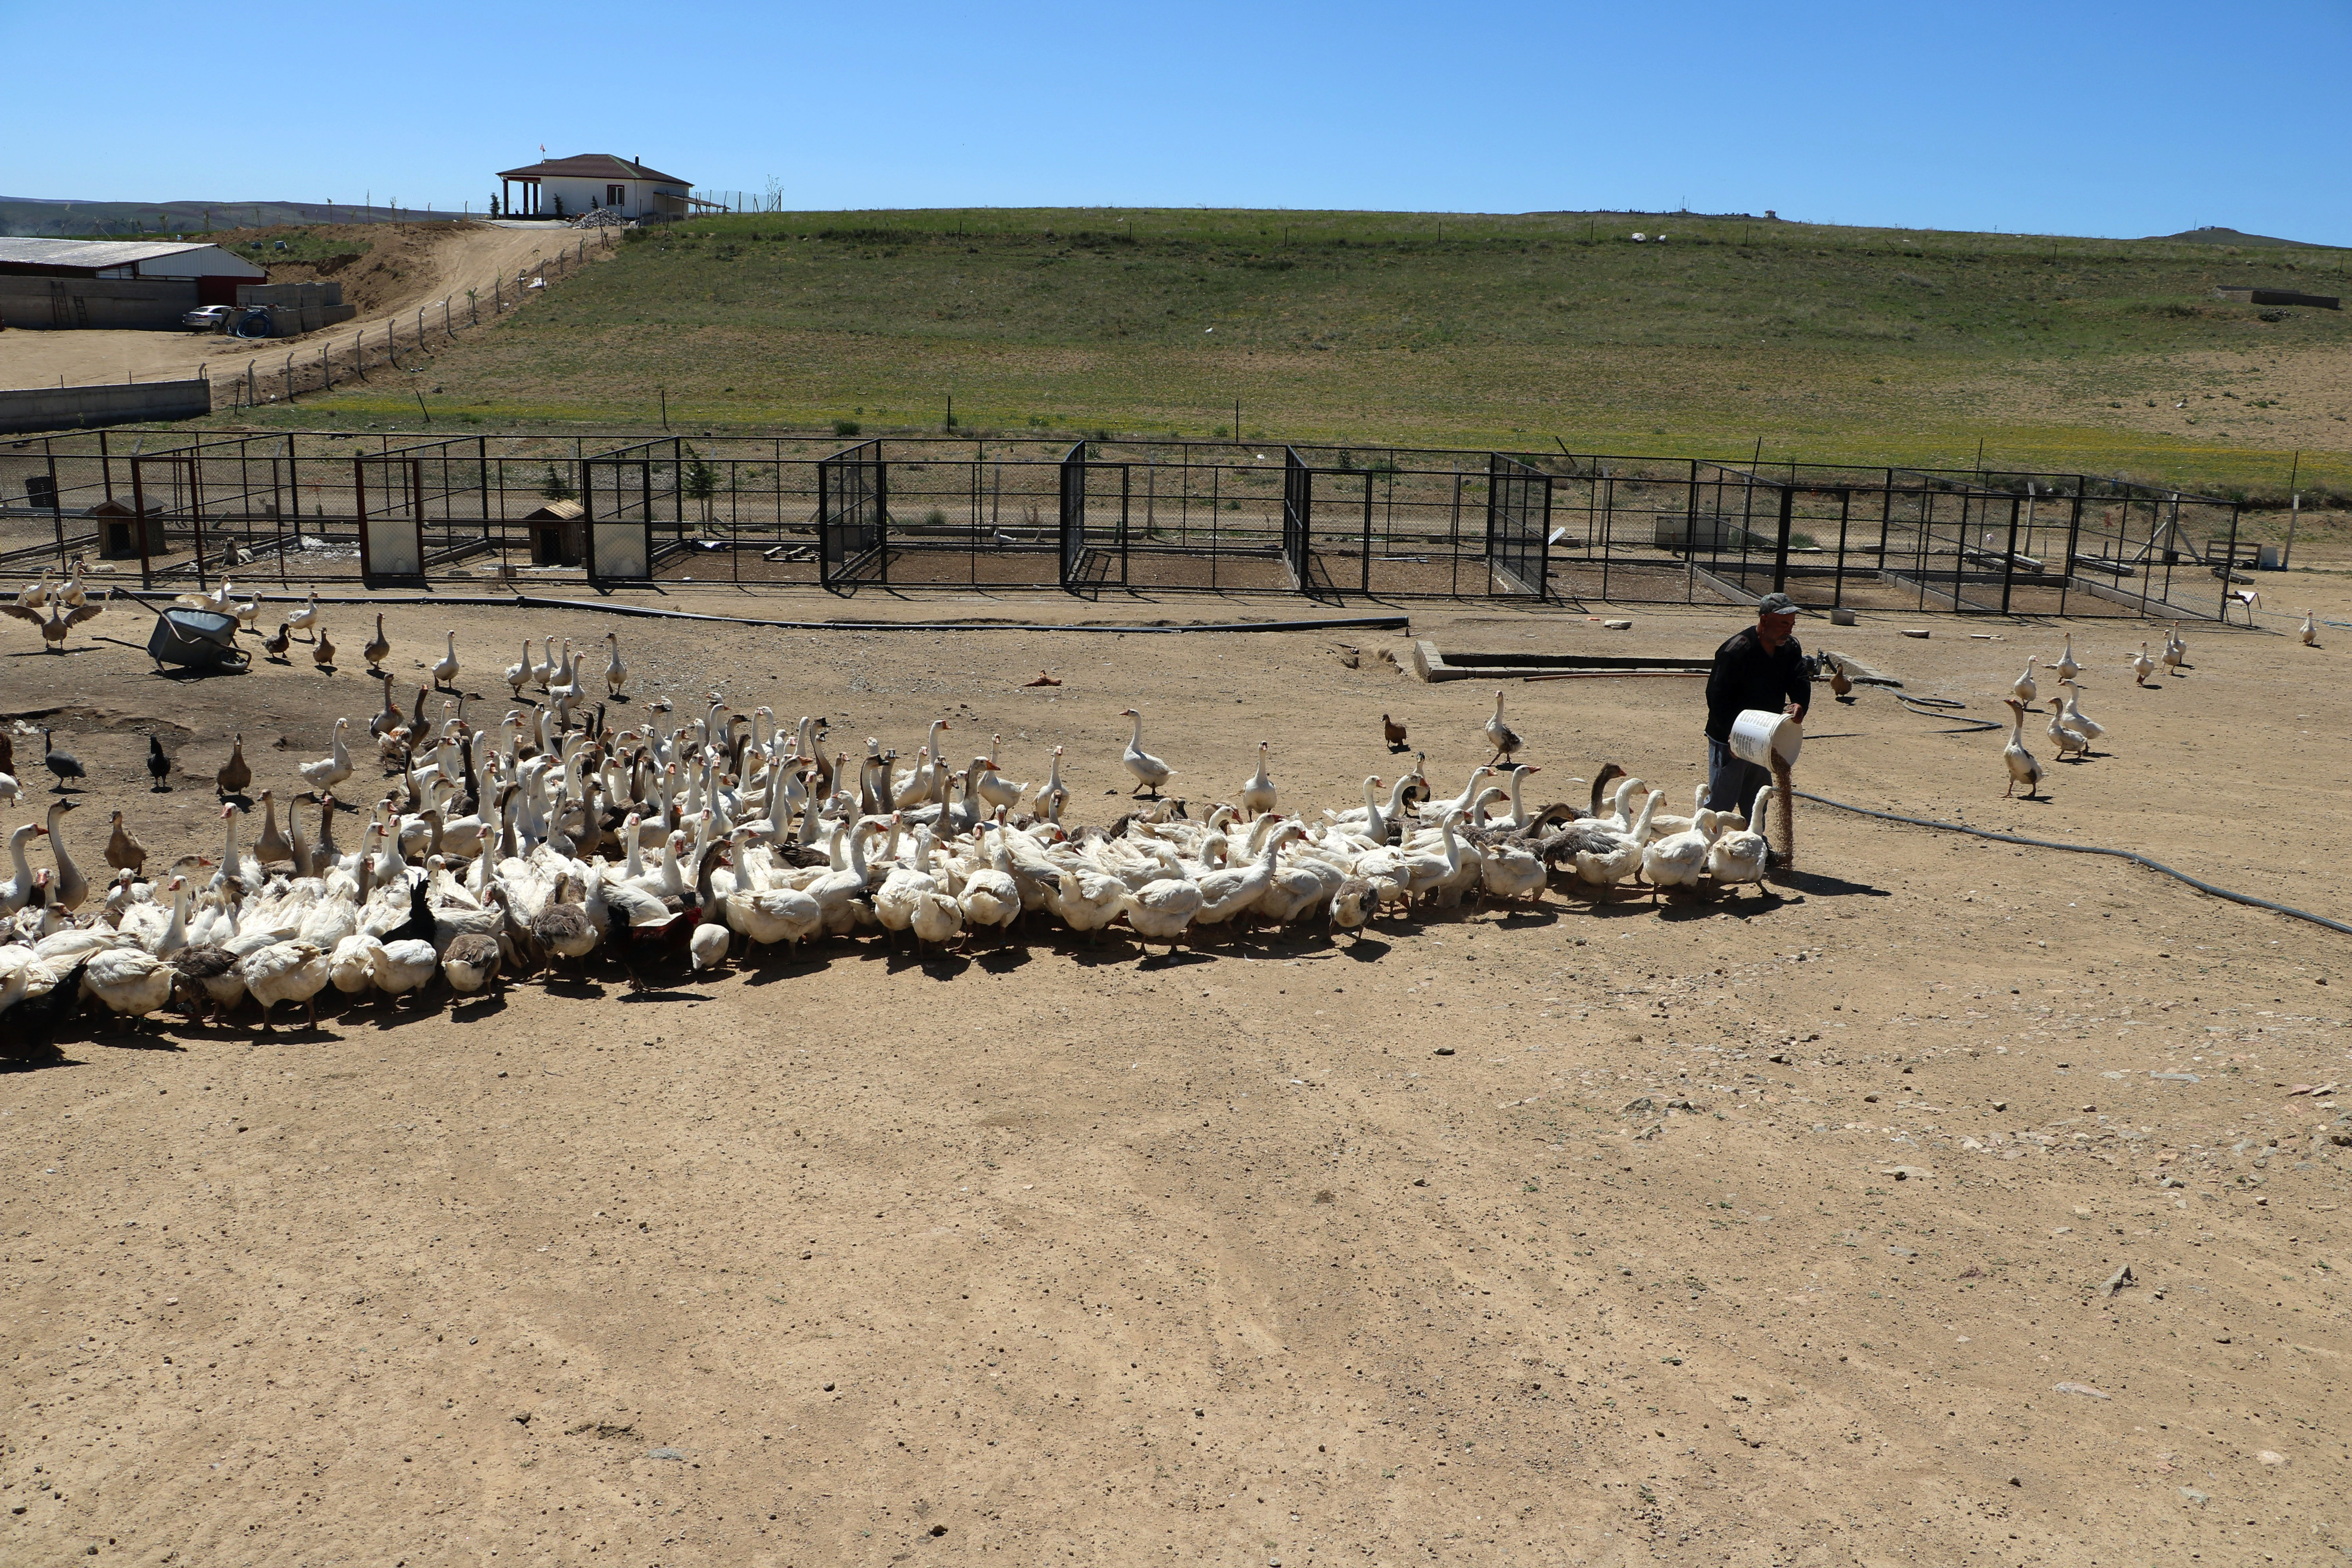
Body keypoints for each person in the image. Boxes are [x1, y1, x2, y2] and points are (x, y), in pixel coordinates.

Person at [1704, 591, 1810, 813]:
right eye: (1783, 623)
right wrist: (1730, 735)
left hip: (1765, 736)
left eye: (1792, 624)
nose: (1788, 630)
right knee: (1721, 802)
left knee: (1757, 800)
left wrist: (1800, 703)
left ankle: (1755, 843)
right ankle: (1704, 843)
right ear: (1764, 620)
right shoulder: (1736, 651)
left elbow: (1799, 678)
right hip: (1731, 738)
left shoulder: (1789, 648)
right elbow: (1717, 696)